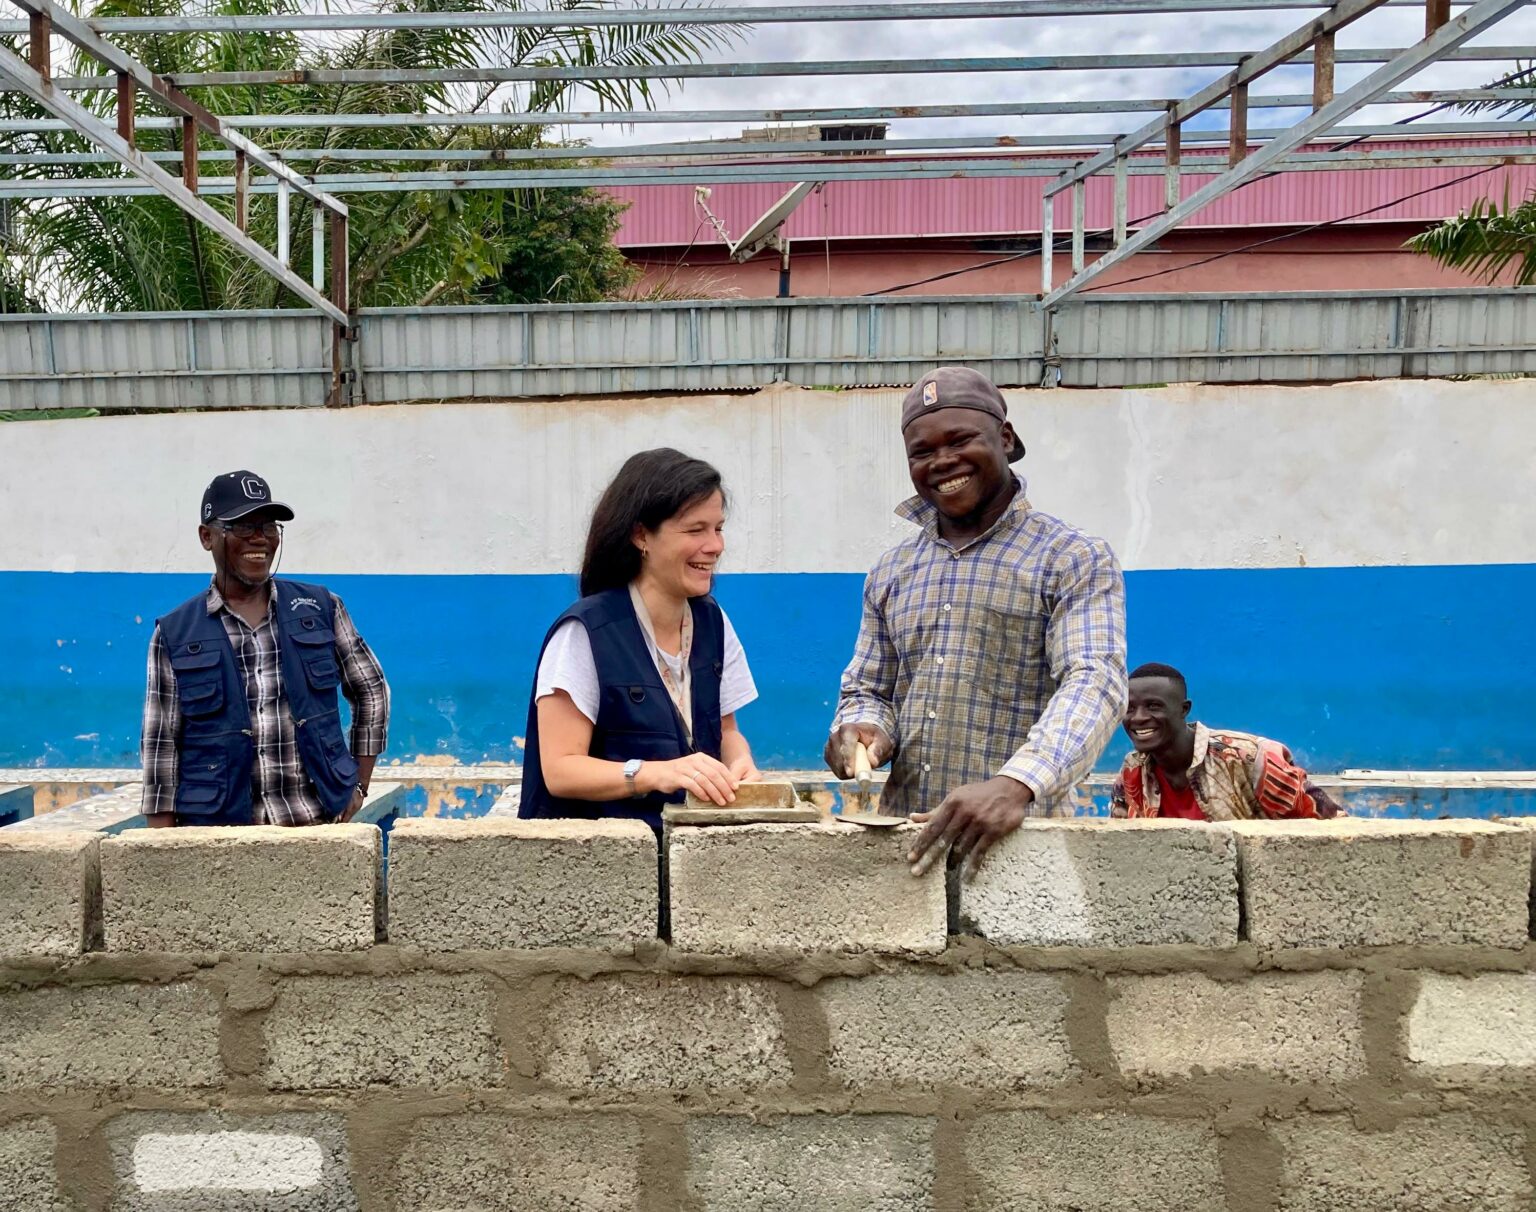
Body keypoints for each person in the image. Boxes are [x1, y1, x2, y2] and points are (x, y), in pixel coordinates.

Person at [825, 366, 1127, 877]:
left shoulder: (1072, 557)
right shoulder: (891, 570)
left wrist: (1017, 784)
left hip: (1021, 852)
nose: (943, 461)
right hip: (907, 850)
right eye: (922, 451)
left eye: (961, 440)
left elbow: (1095, 681)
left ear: (1005, 439)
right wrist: (862, 729)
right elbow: (869, 690)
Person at [520, 448, 761, 833]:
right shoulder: (585, 632)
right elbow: (560, 770)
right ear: (640, 535)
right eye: (695, 530)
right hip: (599, 855)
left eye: (718, 528)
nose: (715, 546)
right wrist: (655, 773)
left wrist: (739, 763)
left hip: (690, 851)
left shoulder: (713, 621)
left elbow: (727, 731)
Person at [141, 471, 390, 827]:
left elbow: (372, 689)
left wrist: (359, 785)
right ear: (207, 536)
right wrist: (163, 843)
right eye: (243, 526)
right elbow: (160, 743)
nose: (259, 538)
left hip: (316, 823)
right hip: (219, 836)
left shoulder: (321, 608)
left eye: (269, 527)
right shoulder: (174, 633)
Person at [1111, 662, 1344, 820]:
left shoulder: (1250, 758)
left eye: (1154, 706)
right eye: (1129, 708)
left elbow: (1333, 826)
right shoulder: (1132, 772)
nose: (1138, 718)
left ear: (1184, 710)